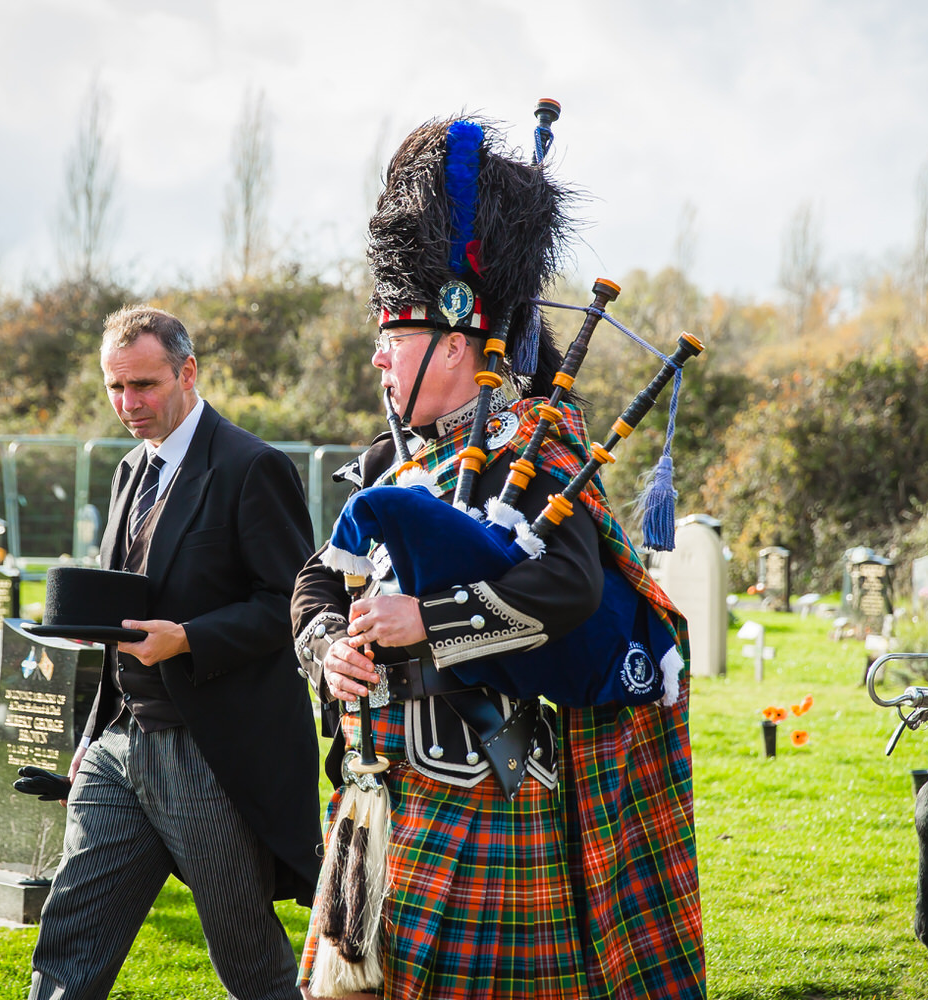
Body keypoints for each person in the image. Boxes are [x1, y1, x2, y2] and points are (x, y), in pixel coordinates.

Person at [291, 118, 704, 999]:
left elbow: (568, 584)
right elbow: (320, 576)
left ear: (454, 343)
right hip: (376, 796)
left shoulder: (538, 449)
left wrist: (422, 624)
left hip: (487, 790)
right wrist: (329, 643)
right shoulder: (385, 458)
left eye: (392, 340)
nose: (377, 355)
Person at [29, 305, 320, 1000]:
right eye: (115, 388)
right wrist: (93, 731)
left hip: (209, 750)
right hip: (121, 745)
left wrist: (188, 638)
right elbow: (117, 612)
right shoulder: (132, 467)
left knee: (247, 956)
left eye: (145, 385)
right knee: (71, 929)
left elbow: (293, 604)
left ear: (188, 372)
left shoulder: (254, 467)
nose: (129, 404)